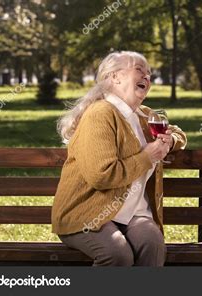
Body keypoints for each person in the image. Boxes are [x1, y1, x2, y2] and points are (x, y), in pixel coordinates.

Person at [52, 51, 187, 266]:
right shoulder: (101, 114)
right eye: (139, 70)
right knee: (117, 255)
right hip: (88, 214)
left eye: (149, 74)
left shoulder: (144, 115)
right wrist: (147, 156)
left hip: (132, 213)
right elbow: (101, 175)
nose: (147, 78)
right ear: (115, 77)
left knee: (153, 244)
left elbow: (177, 133)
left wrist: (169, 142)